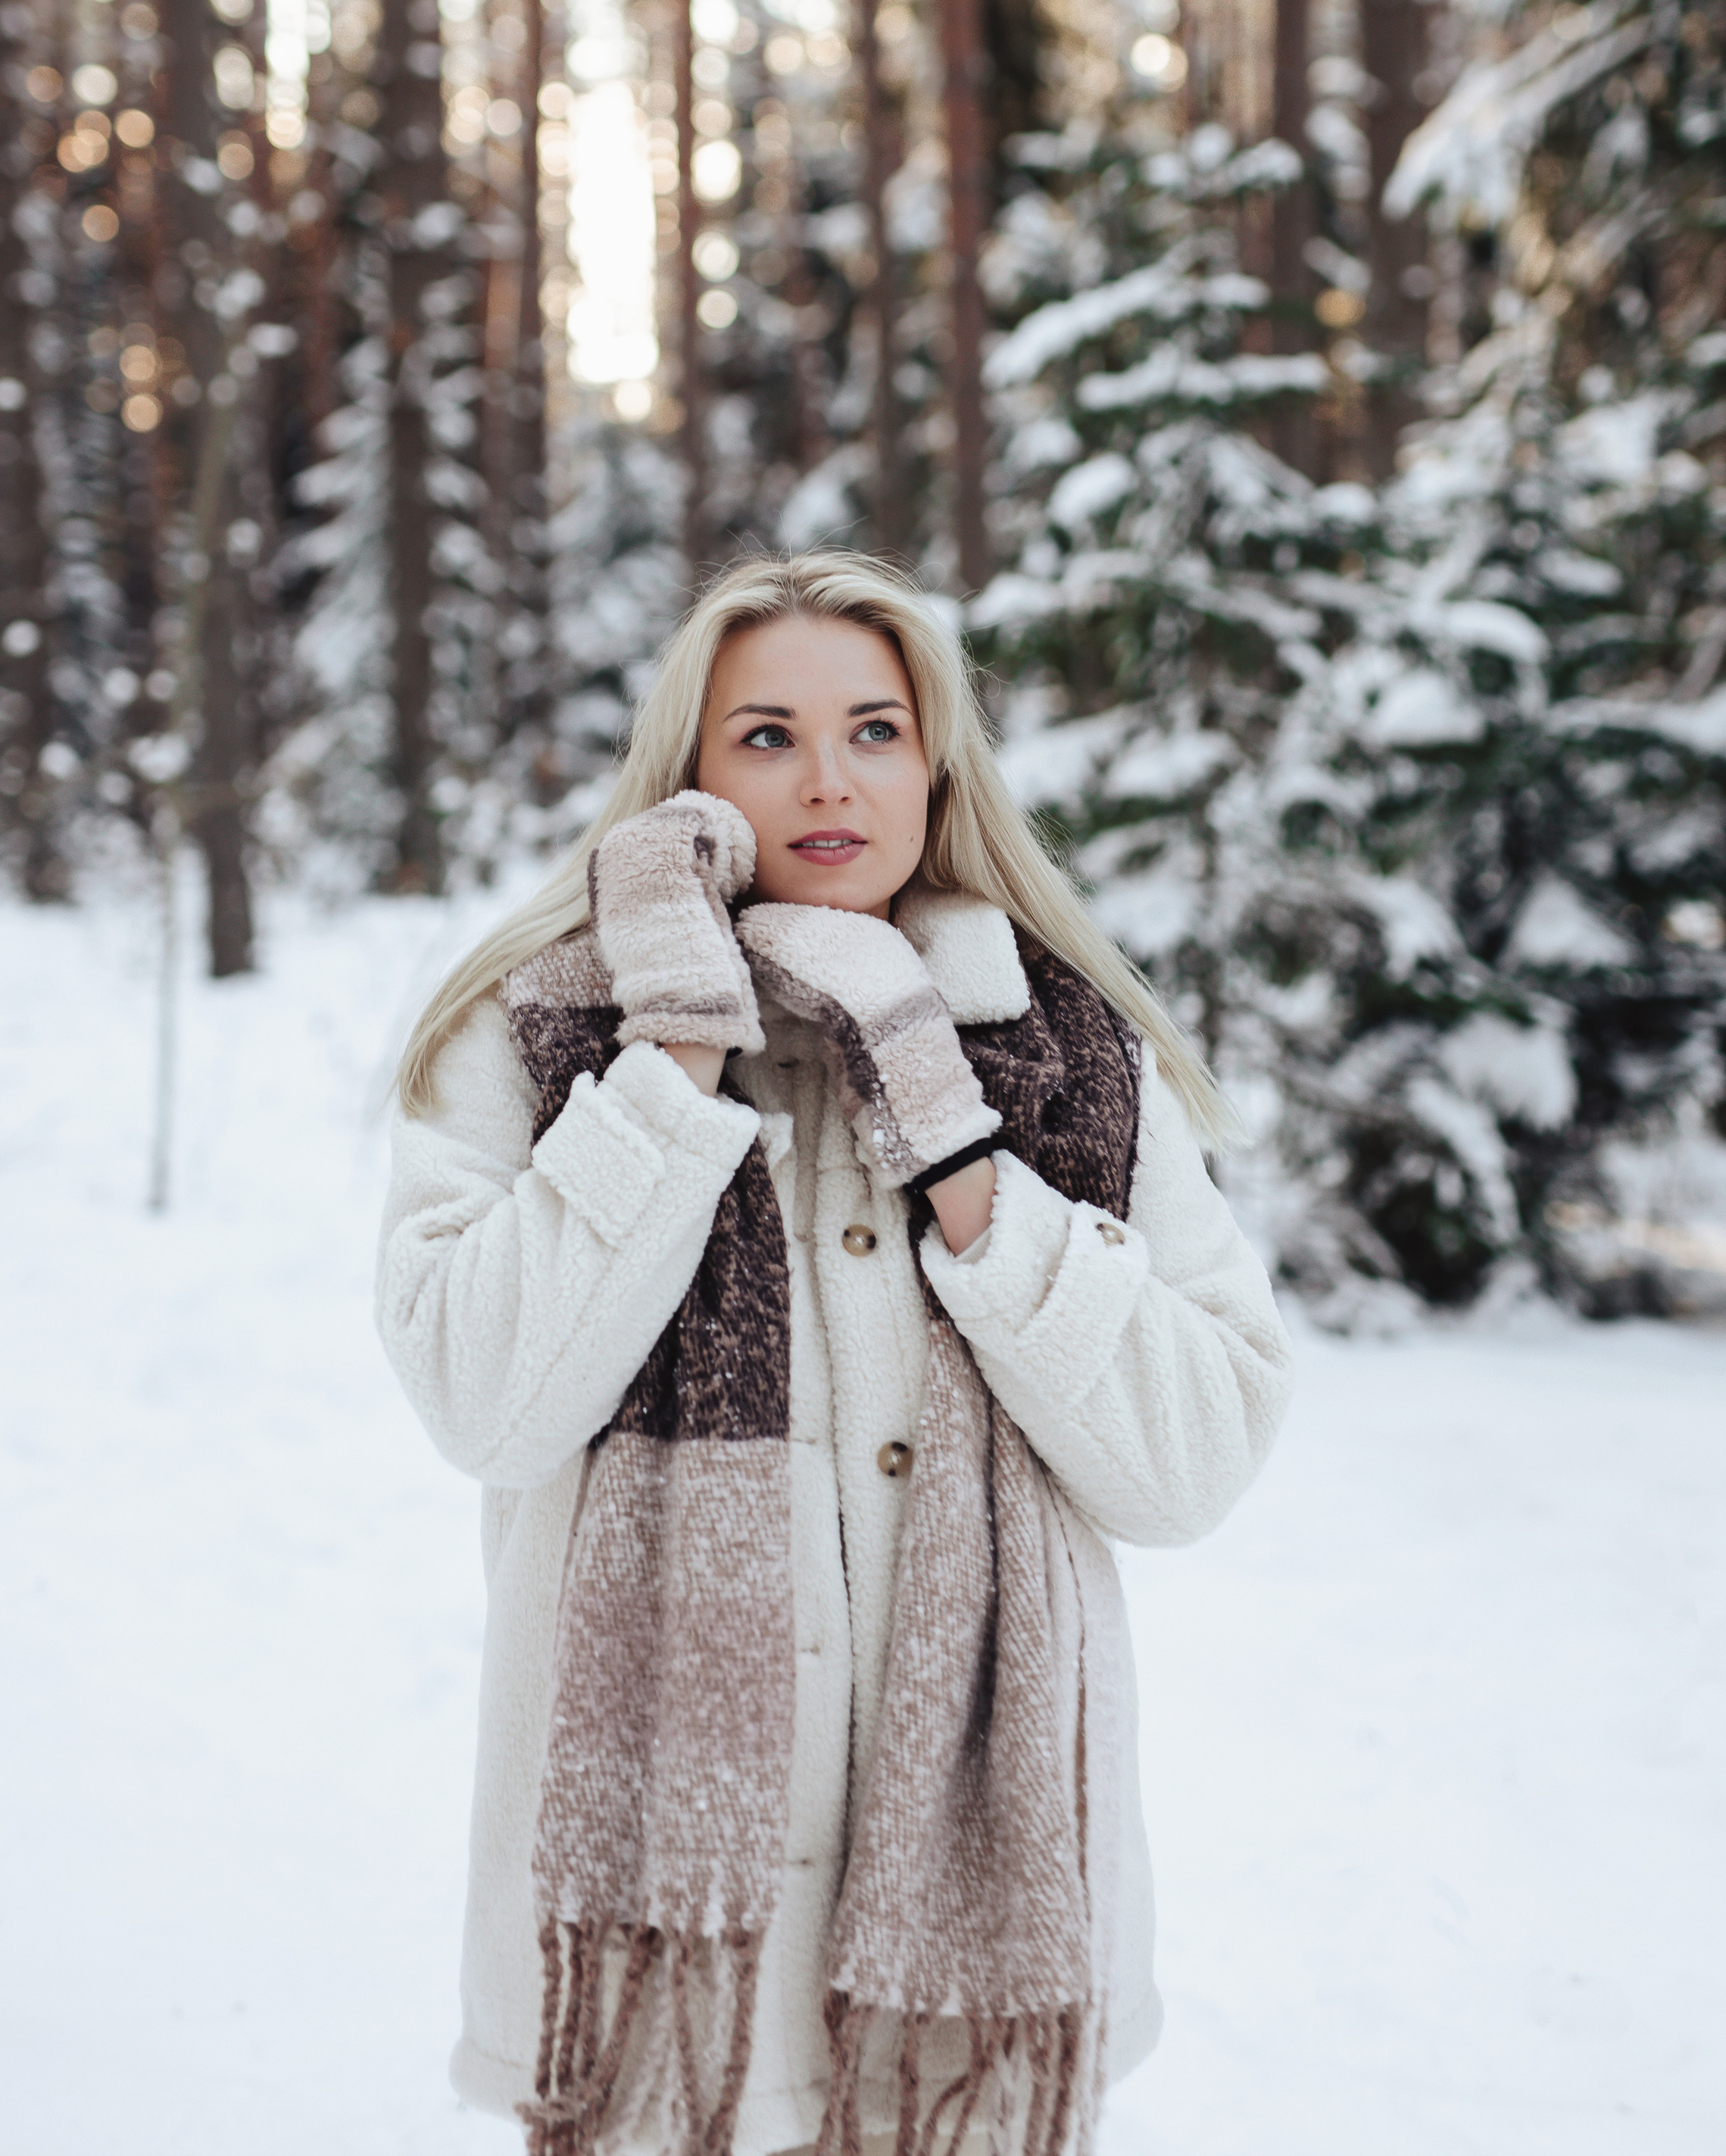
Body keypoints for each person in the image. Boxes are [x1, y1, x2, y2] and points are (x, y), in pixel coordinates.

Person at [380, 549, 1293, 2156]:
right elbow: (487, 1403)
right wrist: (669, 1049)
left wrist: (950, 1138)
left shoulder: (1071, 1055)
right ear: (689, 774)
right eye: (766, 735)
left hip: (963, 2008)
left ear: (936, 766)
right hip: (662, 2001)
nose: (827, 780)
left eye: (875, 731)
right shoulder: (531, 1036)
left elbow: (1191, 1460)